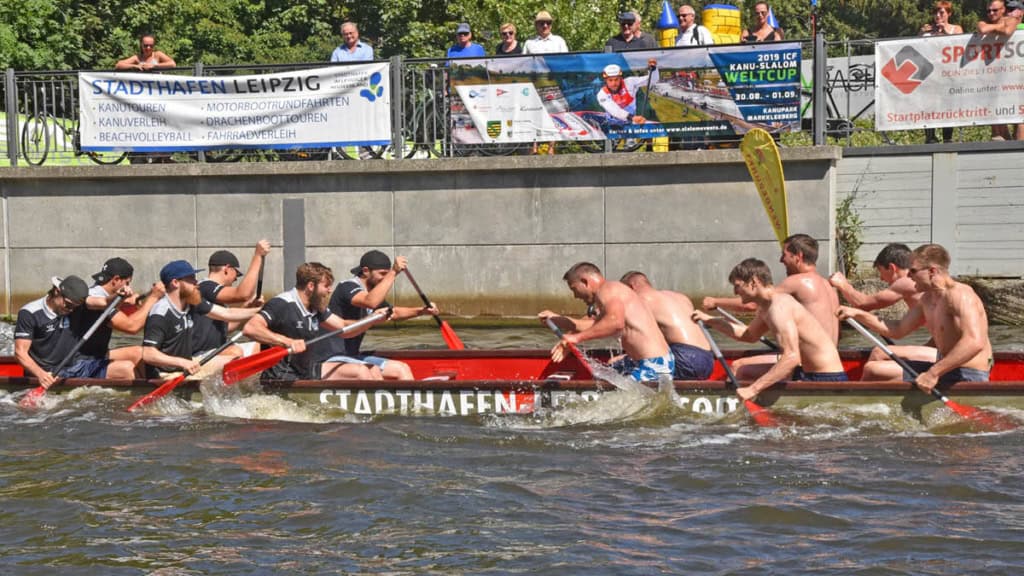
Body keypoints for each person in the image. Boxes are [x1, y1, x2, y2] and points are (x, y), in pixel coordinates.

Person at [838, 244, 993, 392]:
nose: (908, 276)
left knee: (875, 371)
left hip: (967, 374)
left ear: (932, 271)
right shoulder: (927, 299)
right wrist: (858, 314)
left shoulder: (960, 295)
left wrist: (933, 373)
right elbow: (898, 329)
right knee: (872, 369)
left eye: (913, 271)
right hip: (946, 369)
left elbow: (974, 342)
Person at [694, 258, 846, 402]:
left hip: (827, 378)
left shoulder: (779, 307)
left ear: (753, 282)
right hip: (806, 372)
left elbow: (792, 357)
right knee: (740, 368)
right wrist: (709, 320)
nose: (735, 292)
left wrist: (753, 389)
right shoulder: (766, 308)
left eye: (737, 285)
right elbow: (748, 335)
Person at [703, 234, 839, 379]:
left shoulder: (796, 282)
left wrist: (715, 302)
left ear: (798, 256)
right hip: (831, 361)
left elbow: (753, 303)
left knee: (738, 366)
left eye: (784, 255)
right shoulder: (829, 287)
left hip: (804, 362)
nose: (781, 260)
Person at [243, 262, 389, 381]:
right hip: (283, 376)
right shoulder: (282, 304)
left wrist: (371, 319)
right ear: (311, 286)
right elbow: (250, 328)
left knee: (365, 370)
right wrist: (287, 342)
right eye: (326, 286)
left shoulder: (316, 307)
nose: (330, 290)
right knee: (361, 374)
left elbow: (344, 328)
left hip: (307, 369)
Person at [540, 262, 673, 383]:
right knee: (602, 375)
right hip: (645, 361)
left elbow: (615, 324)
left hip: (653, 364)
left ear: (585, 281)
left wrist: (575, 338)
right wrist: (559, 320)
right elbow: (597, 326)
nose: (575, 296)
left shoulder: (608, 289)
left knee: (614, 400)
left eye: (574, 289)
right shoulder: (612, 292)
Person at [323, 250, 439, 380]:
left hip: (352, 356)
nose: (385, 278)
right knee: (374, 371)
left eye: (387, 273)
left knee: (402, 368)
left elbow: (393, 312)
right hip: (333, 357)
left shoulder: (372, 292)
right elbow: (370, 302)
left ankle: (409, 400)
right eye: (382, 274)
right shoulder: (347, 287)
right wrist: (393, 272)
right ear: (366, 271)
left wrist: (422, 311)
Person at [829, 243, 937, 380]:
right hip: (942, 352)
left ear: (892, 268)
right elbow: (941, 330)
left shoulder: (905, 282)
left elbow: (863, 304)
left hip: (947, 357)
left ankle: (856, 396)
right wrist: (926, 347)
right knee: (884, 353)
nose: (881, 278)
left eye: (880, 272)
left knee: (878, 353)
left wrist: (843, 285)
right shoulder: (927, 295)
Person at [141, 260, 260, 378]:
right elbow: (148, 354)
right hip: (168, 374)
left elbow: (227, 313)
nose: (196, 282)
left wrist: (261, 312)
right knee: (234, 361)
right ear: (175, 282)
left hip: (189, 366)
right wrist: (183, 363)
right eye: (191, 279)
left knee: (240, 359)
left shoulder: (192, 302)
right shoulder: (160, 313)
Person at [68, 257, 166, 379]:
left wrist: (126, 301)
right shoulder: (97, 299)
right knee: (127, 369)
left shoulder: (97, 292)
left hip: (96, 355)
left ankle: (153, 383)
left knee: (141, 353)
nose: (129, 286)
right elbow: (132, 327)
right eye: (127, 283)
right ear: (116, 280)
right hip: (78, 362)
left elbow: (112, 304)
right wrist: (153, 297)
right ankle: (146, 392)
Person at [621, 271, 714, 380]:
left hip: (683, 357)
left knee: (618, 367)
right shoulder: (681, 297)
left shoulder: (641, 299)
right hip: (708, 359)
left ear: (632, 287)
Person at [190, 240, 271, 358]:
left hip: (215, 351)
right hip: (200, 355)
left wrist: (248, 307)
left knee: (262, 346)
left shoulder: (214, 296)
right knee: (235, 352)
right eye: (236, 274)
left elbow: (227, 328)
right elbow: (243, 294)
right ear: (227, 269)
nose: (235, 280)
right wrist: (258, 256)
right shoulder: (205, 287)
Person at [14, 276, 91, 389]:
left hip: (76, 365)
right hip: (49, 374)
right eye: (68, 305)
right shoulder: (29, 313)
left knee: (125, 369)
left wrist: (118, 296)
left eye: (75, 307)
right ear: (56, 292)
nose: (71, 310)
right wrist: (41, 375)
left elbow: (102, 301)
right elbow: (20, 353)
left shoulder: (74, 305)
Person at [523, 10, 568, 155]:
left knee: (554, 115)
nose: (545, 25)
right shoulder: (529, 43)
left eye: (547, 23)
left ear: (551, 25)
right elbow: (523, 64)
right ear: (536, 25)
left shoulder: (559, 41)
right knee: (534, 114)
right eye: (541, 23)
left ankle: (551, 147)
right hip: (535, 84)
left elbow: (566, 62)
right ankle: (534, 147)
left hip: (553, 83)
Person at [978, 0, 1022, 140]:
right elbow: (982, 28)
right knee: (997, 126)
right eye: (988, 11)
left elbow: (1008, 30)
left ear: (1003, 10)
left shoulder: (1012, 19)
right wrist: (999, 27)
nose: (991, 13)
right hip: (995, 79)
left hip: (1017, 78)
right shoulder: (984, 22)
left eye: (995, 10)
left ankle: (1019, 156)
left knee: (1020, 120)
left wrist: (994, 27)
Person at [921, 2, 962, 144]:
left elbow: (959, 45)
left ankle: (947, 137)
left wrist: (944, 32)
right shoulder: (928, 30)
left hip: (949, 74)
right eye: (936, 13)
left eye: (942, 13)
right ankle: (930, 136)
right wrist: (921, 34)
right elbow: (917, 50)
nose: (938, 16)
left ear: (949, 14)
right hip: (931, 74)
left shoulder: (955, 28)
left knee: (948, 104)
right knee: (930, 105)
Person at [596, 60, 659, 126]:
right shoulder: (602, 94)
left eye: (616, 79)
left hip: (630, 122)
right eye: (610, 80)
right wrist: (632, 117)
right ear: (605, 80)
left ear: (621, 78)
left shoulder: (630, 82)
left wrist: (653, 69)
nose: (613, 83)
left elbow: (652, 80)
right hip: (611, 124)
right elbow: (614, 110)